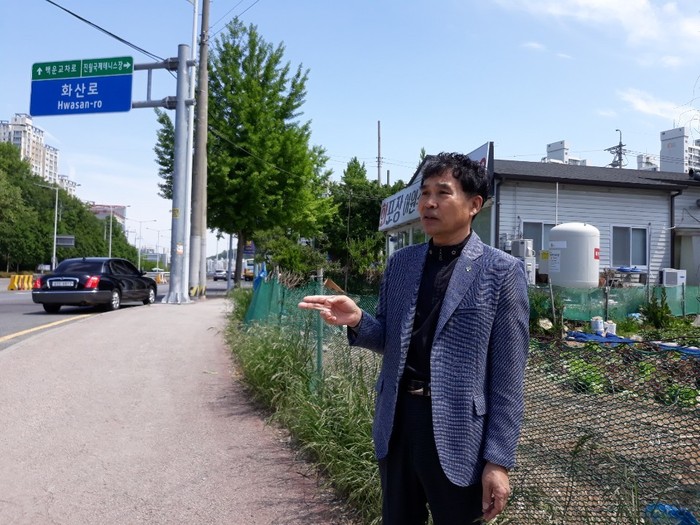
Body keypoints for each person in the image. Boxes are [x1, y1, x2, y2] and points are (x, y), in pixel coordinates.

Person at [299, 152, 530, 524]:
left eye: (442, 193)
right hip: (398, 421)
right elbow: (389, 340)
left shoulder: (501, 271)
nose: (429, 203)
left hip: (459, 433)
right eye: (424, 193)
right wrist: (357, 320)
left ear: (474, 205)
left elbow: (508, 377)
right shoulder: (402, 263)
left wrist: (498, 461)